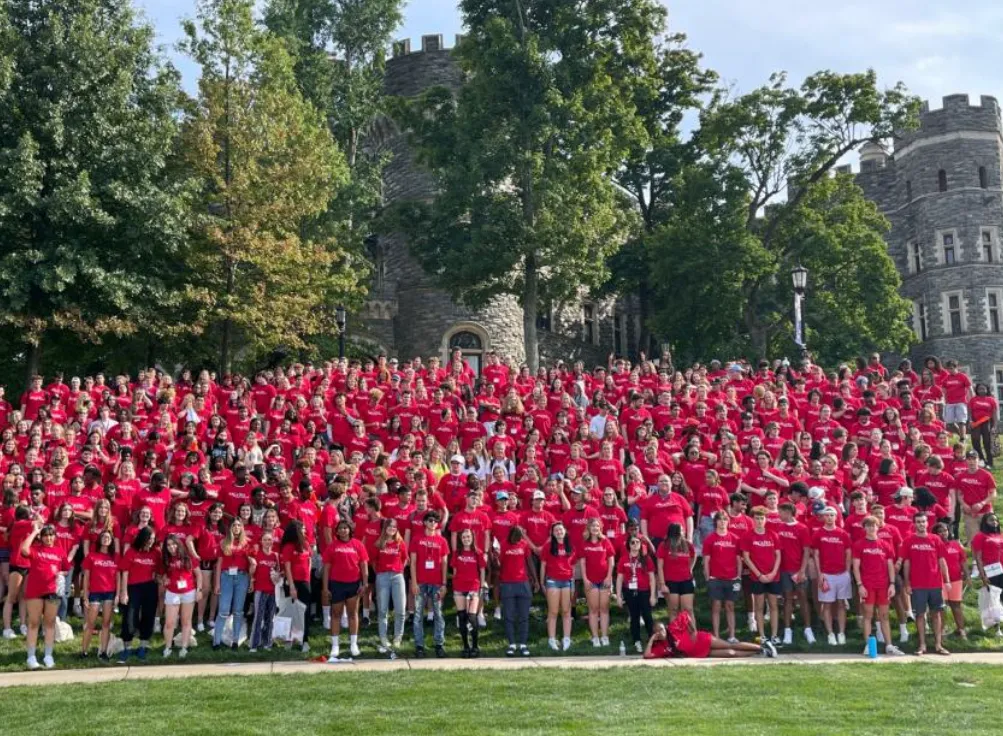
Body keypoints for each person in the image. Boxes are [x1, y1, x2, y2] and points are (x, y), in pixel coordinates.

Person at [851, 516, 904, 656]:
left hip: (883, 585)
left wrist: (892, 584)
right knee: (868, 616)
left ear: (878, 526)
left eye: (873, 525)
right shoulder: (859, 544)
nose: (871, 528)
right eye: (868, 525)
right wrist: (859, 585)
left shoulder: (885, 545)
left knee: (884, 616)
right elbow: (856, 567)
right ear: (864, 528)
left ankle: (889, 645)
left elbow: (890, 567)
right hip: (867, 584)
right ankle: (868, 646)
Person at [900, 512, 951, 655]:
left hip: (935, 583)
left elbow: (942, 561)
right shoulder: (909, 540)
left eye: (923, 521)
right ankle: (922, 645)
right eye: (918, 522)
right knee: (920, 615)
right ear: (914, 524)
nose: (921, 524)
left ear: (927, 523)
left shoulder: (935, 539)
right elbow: (906, 563)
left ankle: (938, 645)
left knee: (936, 614)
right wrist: (907, 583)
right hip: (917, 585)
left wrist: (946, 580)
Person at [21, 522, 66, 669]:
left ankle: (48, 655)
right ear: (41, 537)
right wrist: (35, 532)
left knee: (50, 624)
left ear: (55, 536)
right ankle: (31, 656)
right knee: (33, 623)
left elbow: (65, 568)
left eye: (51, 535)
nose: (48, 538)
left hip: (52, 591)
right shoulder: (35, 548)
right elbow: (24, 549)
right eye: (45, 535)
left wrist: (61, 575)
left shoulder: (60, 551)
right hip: (35, 591)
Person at [321, 520, 368, 660]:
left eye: (345, 528)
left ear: (350, 529)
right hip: (336, 584)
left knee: (353, 614)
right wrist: (325, 588)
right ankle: (335, 645)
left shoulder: (358, 544)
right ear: (337, 531)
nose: (343, 530)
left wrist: (365, 583)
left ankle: (353, 644)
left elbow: (364, 565)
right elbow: (326, 568)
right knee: (336, 614)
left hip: (353, 584)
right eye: (340, 528)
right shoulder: (332, 546)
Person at [644, 613, 773, 660]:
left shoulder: (672, 629)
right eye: (657, 632)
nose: (661, 633)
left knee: (730, 645)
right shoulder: (661, 646)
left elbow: (685, 615)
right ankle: (758, 653)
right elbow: (647, 655)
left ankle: (761, 647)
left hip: (702, 640)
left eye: (661, 629)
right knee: (731, 653)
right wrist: (651, 640)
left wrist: (693, 631)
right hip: (698, 653)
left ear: (665, 627)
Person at [409, 511, 449, 658]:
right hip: (420, 582)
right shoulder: (416, 539)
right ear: (424, 522)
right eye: (430, 520)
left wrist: (444, 584)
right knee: (418, 614)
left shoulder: (442, 541)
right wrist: (413, 582)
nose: (433, 523)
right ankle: (419, 646)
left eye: (435, 521)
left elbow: (445, 563)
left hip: (437, 583)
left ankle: (439, 644)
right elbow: (412, 563)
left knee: (438, 613)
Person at [811, 506, 852, 646]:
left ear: (836, 517)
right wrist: (820, 573)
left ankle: (841, 633)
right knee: (827, 605)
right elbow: (816, 555)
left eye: (831, 515)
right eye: (826, 515)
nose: (829, 518)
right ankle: (830, 634)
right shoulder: (818, 534)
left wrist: (847, 572)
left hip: (841, 574)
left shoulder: (843, 534)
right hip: (826, 574)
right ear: (823, 517)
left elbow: (848, 554)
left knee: (841, 604)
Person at [118, 525, 159, 662]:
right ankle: (127, 648)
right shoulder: (131, 552)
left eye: (153, 539)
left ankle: (143, 646)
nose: (151, 541)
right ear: (143, 537)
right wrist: (124, 592)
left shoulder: (155, 552)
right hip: (133, 587)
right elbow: (124, 572)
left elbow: (159, 570)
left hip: (150, 587)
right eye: (149, 538)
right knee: (130, 617)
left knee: (148, 616)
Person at [741, 508, 782, 645]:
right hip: (757, 576)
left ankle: (775, 635)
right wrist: (759, 575)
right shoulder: (748, 536)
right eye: (757, 518)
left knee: (773, 606)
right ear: (753, 520)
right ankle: (762, 635)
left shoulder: (773, 535)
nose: (759, 521)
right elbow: (746, 558)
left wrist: (773, 573)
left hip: (773, 576)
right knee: (759, 606)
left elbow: (778, 555)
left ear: (766, 520)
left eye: (762, 518)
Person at [213, 518, 253, 650]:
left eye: (238, 525)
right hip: (226, 577)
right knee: (223, 610)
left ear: (242, 527)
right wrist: (217, 583)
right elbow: (218, 564)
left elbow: (251, 563)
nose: (236, 527)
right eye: (234, 525)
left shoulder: (247, 543)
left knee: (238, 611)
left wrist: (251, 580)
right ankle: (216, 641)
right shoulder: (223, 542)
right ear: (230, 527)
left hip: (242, 577)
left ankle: (235, 640)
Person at [702, 511, 741, 642]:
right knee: (716, 606)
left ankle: (732, 635)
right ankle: (717, 636)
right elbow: (706, 560)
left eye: (725, 520)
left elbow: (739, 559)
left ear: (728, 522)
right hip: (715, 578)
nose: (722, 522)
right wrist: (707, 577)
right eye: (720, 520)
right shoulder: (710, 539)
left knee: (730, 606)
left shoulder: (735, 538)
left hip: (731, 578)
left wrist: (739, 575)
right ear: (716, 522)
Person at [159, 533, 199, 658]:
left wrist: (200, 590)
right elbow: (161, 576)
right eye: (169, 545)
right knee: (169, 622)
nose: (171, 547)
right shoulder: (165, 559)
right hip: (172, 592)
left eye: (173, 544)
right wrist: (163, 580)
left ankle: (184, 647)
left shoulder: (188, 557)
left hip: (188, 592)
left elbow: (199, 575)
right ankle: (168, 647)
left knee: (186, 621)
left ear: (178, 544)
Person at [499, 526, 537, 656]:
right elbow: (500, 563)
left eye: (520, 537)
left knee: (524, 616)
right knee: (509, 616)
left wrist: (535, 579)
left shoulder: (524, 544)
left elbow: (529, 561)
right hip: (508, 584)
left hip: (523, 583)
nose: (518, 540)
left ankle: (523, 644)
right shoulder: (503, 544)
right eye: (516, 537)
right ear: (511, 535)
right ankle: (511, 644)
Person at [80, 529, 118, 660]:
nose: (106, 539)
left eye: (108, 537)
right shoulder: (91, 556)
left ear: (112, 540)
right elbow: (86, 577)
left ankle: (103, 651)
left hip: (109, 593)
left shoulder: (115, 557)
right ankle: (84, 651)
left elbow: (118, 577)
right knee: (90, 623)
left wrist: (118, 594)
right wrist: (85, 595)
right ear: (100, 540)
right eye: (103, 537)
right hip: (95, 593)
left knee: (106, 623)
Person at [616, 534, 656, 653]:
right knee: (634, 617)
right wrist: (618, 596)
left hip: (644, 591)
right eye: (632, 542)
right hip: (630, 591)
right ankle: (636, 641)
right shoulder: (623, 559)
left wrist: (653, 595)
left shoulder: (646, 558)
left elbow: (652, 578)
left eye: (637, 542)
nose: (635, 544)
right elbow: (619, 578)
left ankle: (653, 640)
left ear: (641, 544)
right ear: (628, 545)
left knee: (648, 616)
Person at [540, 521, 577, 652]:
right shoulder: (548, 546)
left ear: (565, 531)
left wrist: (573, 582)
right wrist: (542, 582)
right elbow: (543, 565)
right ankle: (551, 639)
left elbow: (573, 565)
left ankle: (566, 638)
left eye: (561, 530)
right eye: (556, 530)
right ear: (552, 533)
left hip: (567, 581)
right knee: (553, 611)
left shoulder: (570, 546)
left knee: (566, 611)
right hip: (553, 581)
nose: (559, 532)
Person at [373, 517, 408, 652]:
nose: (392, 529)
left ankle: (397, 637)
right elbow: (374, 561)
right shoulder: (379, 543)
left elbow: (405, 559)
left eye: (394, 527)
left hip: (397, 576)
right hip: (382, 576)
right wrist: (381, 573)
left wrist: (399, 570)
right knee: (382, 610)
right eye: (389, 527)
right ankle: (383, 637)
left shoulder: (400, 543)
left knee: (400, 609)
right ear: (385, 528)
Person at [450, 527, 486, 657]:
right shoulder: (456, 553)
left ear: (472, 538)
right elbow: (454, 571)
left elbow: (482, 570)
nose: (466, 539)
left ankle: (475, 646)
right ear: (461, 539)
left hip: (473, 587)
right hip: (459, 588)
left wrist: (481, 586)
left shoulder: (478, 552)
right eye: (464, 537)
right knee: (462, 617)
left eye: (468, 537)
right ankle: (466, 646)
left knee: (472, 617)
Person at [580, 517, 615, 647]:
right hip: (591, 581)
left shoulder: (605, 541)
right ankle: (595, 637)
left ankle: (605, 636)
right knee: (593, 609)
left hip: (604, 579)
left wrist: (609, 577)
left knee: (604, 609)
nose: (595, 528)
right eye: (593, 526)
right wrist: (585, 579)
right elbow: (582, 563)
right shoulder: (584, 543)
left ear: (600, 528)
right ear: (589, 528)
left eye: (597, 526)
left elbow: (611, 560)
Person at [280, 520, 313, 653]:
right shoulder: (288, 546)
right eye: (302, 529)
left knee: (305, 611)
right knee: (291, 612)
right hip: (293, 582)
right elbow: (287, 567)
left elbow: (309, 561)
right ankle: (289, 639)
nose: (305, 531)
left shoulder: (306, 544)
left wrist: (308, 579)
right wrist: (292, 586)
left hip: (305, 582)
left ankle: (304, 640)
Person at [249, 530, 280, 653]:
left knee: (270, 617)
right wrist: (252, 568)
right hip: (260, 590)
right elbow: (251, 573)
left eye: (270, 540)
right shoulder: (257, 555)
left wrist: (277, 575)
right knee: (258, 617)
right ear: (261, 542)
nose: (268, 542)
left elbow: (280, 572)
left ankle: (267, 642)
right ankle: (254, 644)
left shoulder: (275, 556)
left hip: (273, 591)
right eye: (265, 540)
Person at [657, 522, 695, 622]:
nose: (683, 532)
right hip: (671, 582)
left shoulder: (687, 544)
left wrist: (690, 568)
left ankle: (692, 635)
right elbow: (660, 566)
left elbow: (693, 556)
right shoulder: (664, 545)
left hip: (686, 580)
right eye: (680, 531)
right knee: (674, 610)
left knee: (688, 609)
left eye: (683, 530)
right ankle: (676, 636)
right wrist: (662, 584)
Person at [936, 522, 968, 639]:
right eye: (940, 531)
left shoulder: (955, 544)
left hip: (956, 580)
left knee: (956, 605)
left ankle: (961, 630)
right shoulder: (934, 545)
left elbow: (963, 561)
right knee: (941, 606)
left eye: (945, 530)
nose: (943, 533)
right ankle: (941, 631)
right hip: (939, 580)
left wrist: (967, 575)